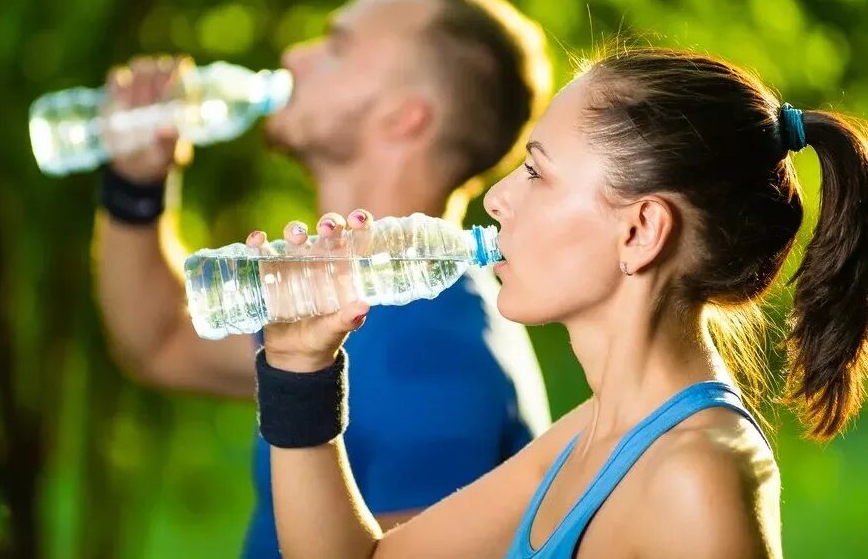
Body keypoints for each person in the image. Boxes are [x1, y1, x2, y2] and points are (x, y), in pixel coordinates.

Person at [252, 48, 868, 558]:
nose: (495, 199)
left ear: (641, 231)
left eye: (536, 173)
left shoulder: (697, 478)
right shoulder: (594, 432)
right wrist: (298, 367)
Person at [93, 0, 554, 557]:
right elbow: (159, 342)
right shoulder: (350, 297)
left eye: (336, 47)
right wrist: (136, 188)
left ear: (403, 117)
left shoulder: (433, 351)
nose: (295, 55)